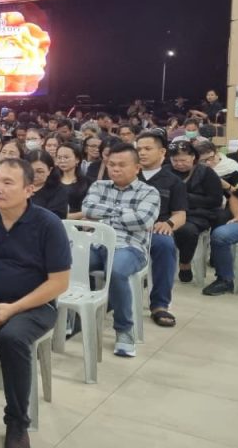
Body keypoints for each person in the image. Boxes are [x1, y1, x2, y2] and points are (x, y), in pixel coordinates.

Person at [0, 159, 71, 447]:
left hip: (36, 306)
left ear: (29, 189)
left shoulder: (48, 224)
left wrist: (12, 309)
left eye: (8, 183)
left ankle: (17, 422)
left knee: (13, 338)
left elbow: (59, 283)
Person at [82, 143, 160, 357]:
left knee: (116, 270)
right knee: (64, 263)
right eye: (111, 164)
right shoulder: (99, 186)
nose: (115, 169)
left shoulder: (149, 192)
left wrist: (106, 214)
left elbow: (143, 221)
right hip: (96, 244)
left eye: (122, 165)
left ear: (137, 168)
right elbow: (88, 209)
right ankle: (70, 319)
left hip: (130, 247)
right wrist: (124, 212)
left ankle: (124, 330)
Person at [134, 131, 187, 328]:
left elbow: (180, 214)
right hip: (126, 228)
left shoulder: (173, 181)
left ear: (162, 152)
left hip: (155, 230)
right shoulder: (128, 174)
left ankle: (159, 304)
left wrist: (169, 224)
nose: (142, 153)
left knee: (165, 245)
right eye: (139, 149)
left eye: (148, 148)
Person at [167, 141, 223, 283]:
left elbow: (215, 200)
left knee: (187, 230)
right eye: (175, 160)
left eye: (183, 160)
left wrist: (185, 198)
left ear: (193, 157)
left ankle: (185, 263)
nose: (179, 164)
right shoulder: (165, 171)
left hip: (197, 214)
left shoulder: (205, 172)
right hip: (170, 213)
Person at [24, 150, 68, 219]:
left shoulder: (58, 190)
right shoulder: (19, 187)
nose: (34, 175)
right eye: (30, 171)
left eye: (40, 171)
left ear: (49, 170)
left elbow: (55, 217)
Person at [55, 143, 92, 220]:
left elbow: (90, 209)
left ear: (77, 159)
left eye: (66, 157)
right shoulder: (52, 181)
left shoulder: (87, 182)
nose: (62, 161)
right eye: (59, 157)